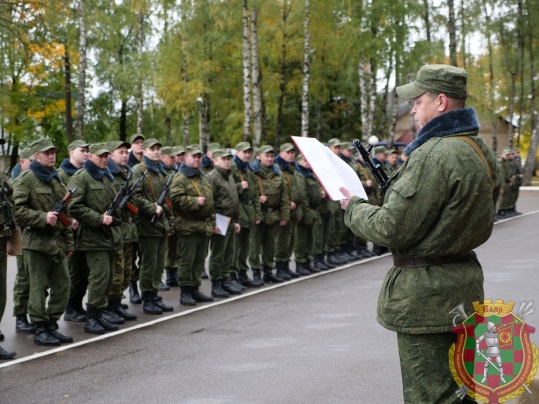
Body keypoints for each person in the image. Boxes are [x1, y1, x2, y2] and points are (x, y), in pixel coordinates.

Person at [340, 64, 501, 403]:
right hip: (464, 284)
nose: (412, 109)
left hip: (428, 298)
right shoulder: (479, 149)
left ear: (441, 102)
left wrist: (352, 207)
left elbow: (391, 228)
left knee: (431, 396)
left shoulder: (433, 154)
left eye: (418, 101)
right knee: (464, 391)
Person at [14, 138, 74, 346]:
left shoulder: (56, 179)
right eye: (47, 153)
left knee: (63, 285)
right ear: (36, 156)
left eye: (53, 152)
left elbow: (65, 215)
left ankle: (51, 323)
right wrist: (42, 217)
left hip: (56, 243)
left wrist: (69, 244)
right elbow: (17, 211)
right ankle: (40, 327)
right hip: (36, 243)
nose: (52, 156)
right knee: (37, 288)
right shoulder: (26, 179)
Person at [68, 143, 123, 334]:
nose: (104, 159)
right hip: (92, 237)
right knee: (99, 277)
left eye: (106, 156)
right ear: (90, 156)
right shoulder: (81, 177)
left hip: (109, 236)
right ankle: (91, 317)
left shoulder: (105, 176)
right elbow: (73, 206)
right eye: (100, 156)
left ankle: (99, 313)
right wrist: (99, 219)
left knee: (108, 278)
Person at [131, 138, 174, 315]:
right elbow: (134, 196)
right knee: (148, 264)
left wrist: (170, 222)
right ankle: (147, 298)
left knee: (158, 264)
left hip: (161, 224)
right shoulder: (138, 171)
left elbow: (167, 200)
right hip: (146, 225)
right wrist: (151, 208)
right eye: (152, 149)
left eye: (158, 148)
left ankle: (154, 295)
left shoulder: (160, 171)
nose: (156, 151)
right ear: (144, 151)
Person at [170, 144, 215, 305]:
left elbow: (210, 201)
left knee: (199, 260)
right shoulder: (180, 178)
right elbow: (176, 200)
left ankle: (195, 288)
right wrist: (195, 201)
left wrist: (212, 222)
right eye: (193, 156)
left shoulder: (202, 177)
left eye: (199, 157)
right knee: (186, 261)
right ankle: (185, 292)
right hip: (187, 225)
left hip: (203, 225)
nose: (197, 159)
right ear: (186, 158)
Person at [105, 140, 138, 321]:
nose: (125, 155)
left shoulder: (128, 174)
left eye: (126, 152)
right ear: (111, 155)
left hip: (128, 230)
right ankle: (109, 306)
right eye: (121, 152)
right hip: (116, 231)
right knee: (116, 273)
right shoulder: (108, 175)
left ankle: (117, 303)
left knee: (126, 272)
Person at [58, 139, 90, 323]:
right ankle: (70, 308)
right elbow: (58, 203)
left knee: (83, 272)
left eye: (87, 151)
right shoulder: (61, 174)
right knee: (73, 272)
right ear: (71, 152)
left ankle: (77, 305)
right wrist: (69, 221)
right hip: (69, 231)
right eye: (82, 150)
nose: (86, 153)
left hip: (85, 230)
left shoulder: (85, 174)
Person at [249, 145, 290, 284]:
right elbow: (246, 193)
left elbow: (284, 196)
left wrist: (284, 216)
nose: (270, 158)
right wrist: (257, 198)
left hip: (273, 215)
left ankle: (268, 272)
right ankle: (256, 273)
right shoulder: (253, 172)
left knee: (270, 246)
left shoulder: (278, 173)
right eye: (267, 156)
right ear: (259, 156)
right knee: (255, 246)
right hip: (258, 214)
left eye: (272, 156)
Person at [207, 149, 243, 297]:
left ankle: (225, 280)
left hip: (230, 219)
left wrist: (236, 220)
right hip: (220, 219)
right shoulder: (213, 177)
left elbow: (234, 200)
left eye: (228, 159)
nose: (227, 161)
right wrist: (212, 222)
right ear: (215, 161)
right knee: (218, 253)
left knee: (229, 252)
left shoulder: (229, 176)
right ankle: (216, 283)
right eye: (224, 159)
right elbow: (210, 202)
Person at [11, 147, 36, 334]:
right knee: (23, 277)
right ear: (22, 162)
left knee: (37, 277)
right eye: (31, 161)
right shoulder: (14, 182)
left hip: (34, 233)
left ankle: (35, 314)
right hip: (18, 232)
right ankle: (20, 316)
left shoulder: (37, 180)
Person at [230, 142, 262, 287]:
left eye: (249, 152)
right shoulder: (232, 167)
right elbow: (226, 189)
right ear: (237, 152)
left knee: (245, 247)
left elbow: (255, 193)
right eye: (244, 152)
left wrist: (257, 213)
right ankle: (231, 275)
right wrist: (239, 187)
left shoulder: (248, 169)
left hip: (249, 211)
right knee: (235, 246)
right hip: (238, 210)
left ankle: (242, 273)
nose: (247, 155)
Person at [274, 143, 304, 279]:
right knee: (282, 241)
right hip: (284, 210)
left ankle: (286, 266)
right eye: (288, 152)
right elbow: (277, 191)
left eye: (292, 152)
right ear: (281, 153)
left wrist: (298, 209)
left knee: (291, 241)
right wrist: (286, 204)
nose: (291, 155)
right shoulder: (278, 169)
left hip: (294, 209)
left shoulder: (293, 168)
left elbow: (298, 190)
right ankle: (280, 267)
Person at [0, 138, 18, 357]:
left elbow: (10, 211)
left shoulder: (3, 178)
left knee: (1, 294)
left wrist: (13, 242)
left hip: (2, 241)